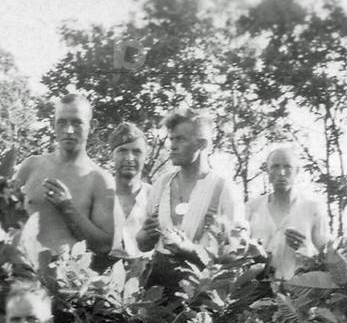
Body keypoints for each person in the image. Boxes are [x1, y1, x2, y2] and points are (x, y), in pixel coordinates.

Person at [13, 93, 116, 258]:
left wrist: (67, 208)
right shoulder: (31, 165)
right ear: (53, 124)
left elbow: (104, 245)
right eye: (62, 122)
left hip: (65, 277)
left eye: (77, 123)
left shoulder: (100, 180)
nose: (69, 130)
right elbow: (5, 214)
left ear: (92, 126)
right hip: (23, 273)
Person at [136, 108, 238, 263]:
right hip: (159, 282)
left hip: (202, 283)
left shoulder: (224, 190)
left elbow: (234, 255)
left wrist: (189, 250)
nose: (173, 146)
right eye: (172, 139)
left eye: (181, 139)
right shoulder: (161, 185)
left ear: (202, 144)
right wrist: (144, 236)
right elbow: (144, 246)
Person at [246, 146, 330, 279]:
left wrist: (306, 248)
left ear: (297, 171)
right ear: (267, 170)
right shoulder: (252, 208)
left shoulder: (313, 209)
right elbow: (238, 253)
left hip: (299, 291)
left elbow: (328, 259)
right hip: (255, 291)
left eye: (288, 167)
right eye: (275, 167)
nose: (282, 173)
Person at [107, 122, 153, 263]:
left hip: (145, 273)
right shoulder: (100, 194)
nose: (130, 158)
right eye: (122, 150)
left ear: (146, 156)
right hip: (101, 271)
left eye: (137, 151)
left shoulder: (154, 195)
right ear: (112, 155)